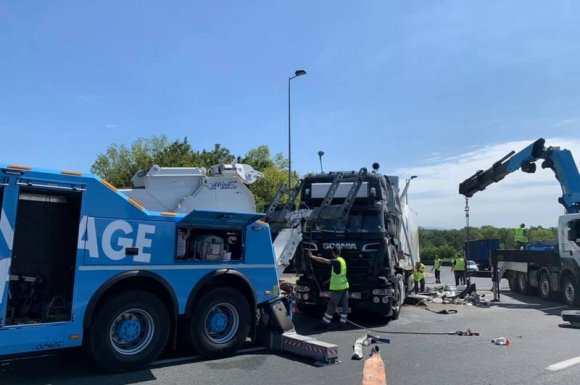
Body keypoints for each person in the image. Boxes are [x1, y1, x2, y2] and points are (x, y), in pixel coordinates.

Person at [307, 247, 349, 330]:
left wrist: (312, 256)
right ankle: (343, 324)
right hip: (345, 286)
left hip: (338, 288)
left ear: (333, 253)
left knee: (332, 305)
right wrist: (328, 281)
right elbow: (339, 273)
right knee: (345, 306)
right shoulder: (342, 260)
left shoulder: (336, 261)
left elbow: (323, 260)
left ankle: (324, 323)